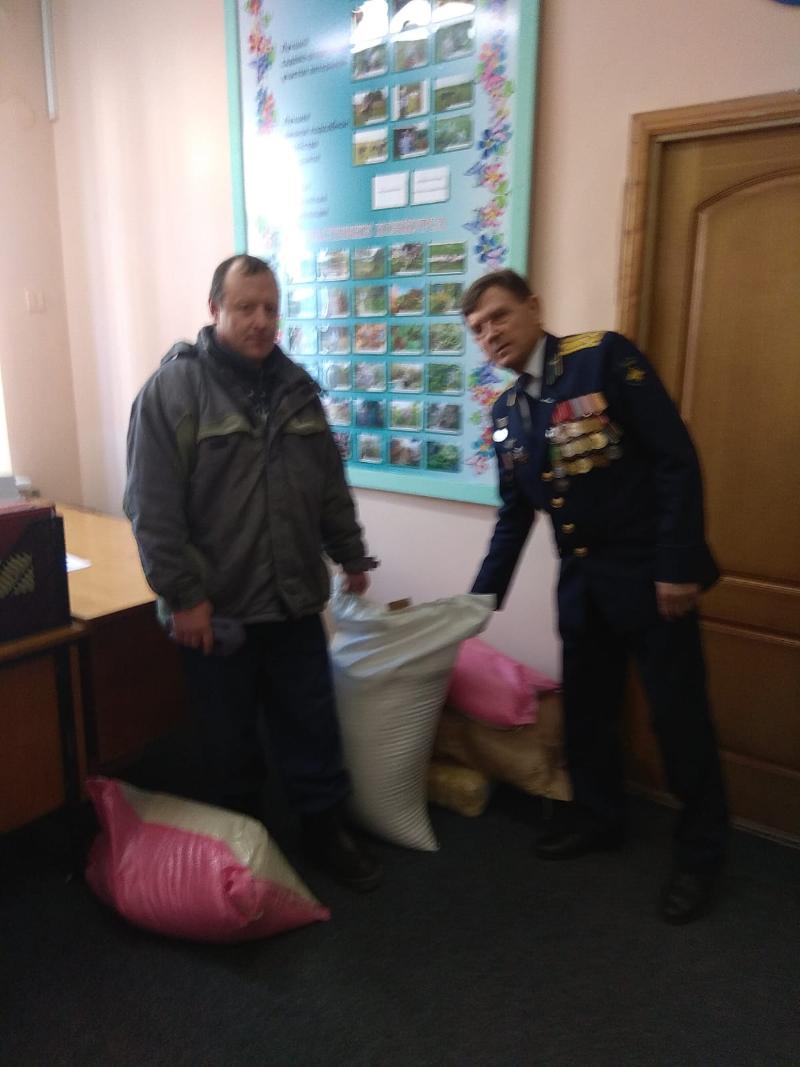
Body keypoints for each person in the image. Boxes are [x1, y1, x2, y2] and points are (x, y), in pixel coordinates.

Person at [464, 269, 728, 924]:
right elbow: (514, 515)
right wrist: (479, 599)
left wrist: (677, 564)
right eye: (477, 329)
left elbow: (674, 458)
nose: (490, 334)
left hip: (651, 579)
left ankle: (701, 855)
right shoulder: (505, 414)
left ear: (533, 307)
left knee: (679, 720)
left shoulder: (601, 359)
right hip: (581, 584)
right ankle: (600, 818)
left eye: (498, 316)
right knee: (588, 713)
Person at [124, 254, 382, 892]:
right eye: (245, 307)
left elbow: (327, 486)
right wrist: (184, 598)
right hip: (220, 609)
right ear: (215, 309)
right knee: (229, 742)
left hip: (294, 600)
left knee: (311, 726)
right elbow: (152, 509)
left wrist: (350, 553)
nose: (261, 320)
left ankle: (323, 832)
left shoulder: (297, 388)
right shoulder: (173, 391)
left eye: (270, 308)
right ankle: (242, 851)